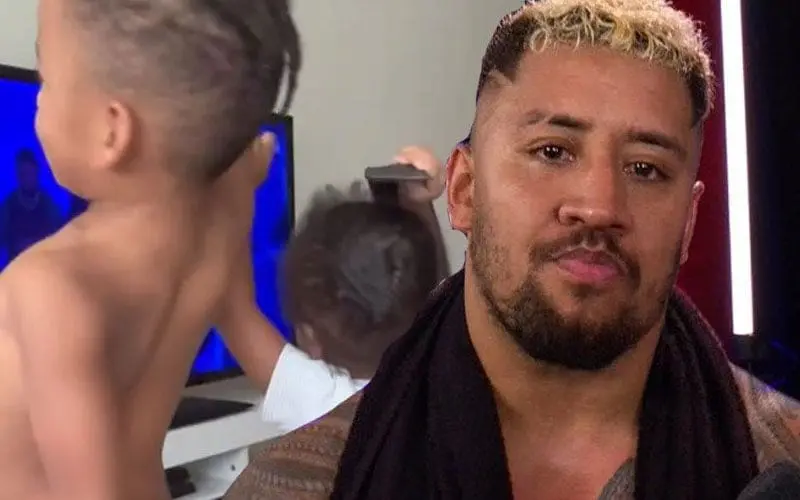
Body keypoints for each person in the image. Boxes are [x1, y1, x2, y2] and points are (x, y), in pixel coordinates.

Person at [224, 1, 800, 499]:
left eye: (645, 168)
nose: (598, 206)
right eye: (552, 152)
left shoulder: (782, 458)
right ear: (464, 191)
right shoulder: (302, 482)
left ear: (690, 221)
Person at [0, 0, 300, 499]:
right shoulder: (218, 232)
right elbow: (250, 163)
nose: (38, 99)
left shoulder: (50, 287)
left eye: (46, 80)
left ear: (111, 131)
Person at [219, 146, 449, 434]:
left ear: (310, 337)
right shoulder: (448, 378)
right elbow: (438, 304)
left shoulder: (324, 402)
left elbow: (233, 308)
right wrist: (419, 204)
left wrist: (236, 181)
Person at [0, 149, 63, 264]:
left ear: (36, 173)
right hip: (16, 266)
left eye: (30, 173)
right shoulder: (8, 207)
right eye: (23, 174)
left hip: (43, 265)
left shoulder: (48, 205)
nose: (27, 179)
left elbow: (58, 240)